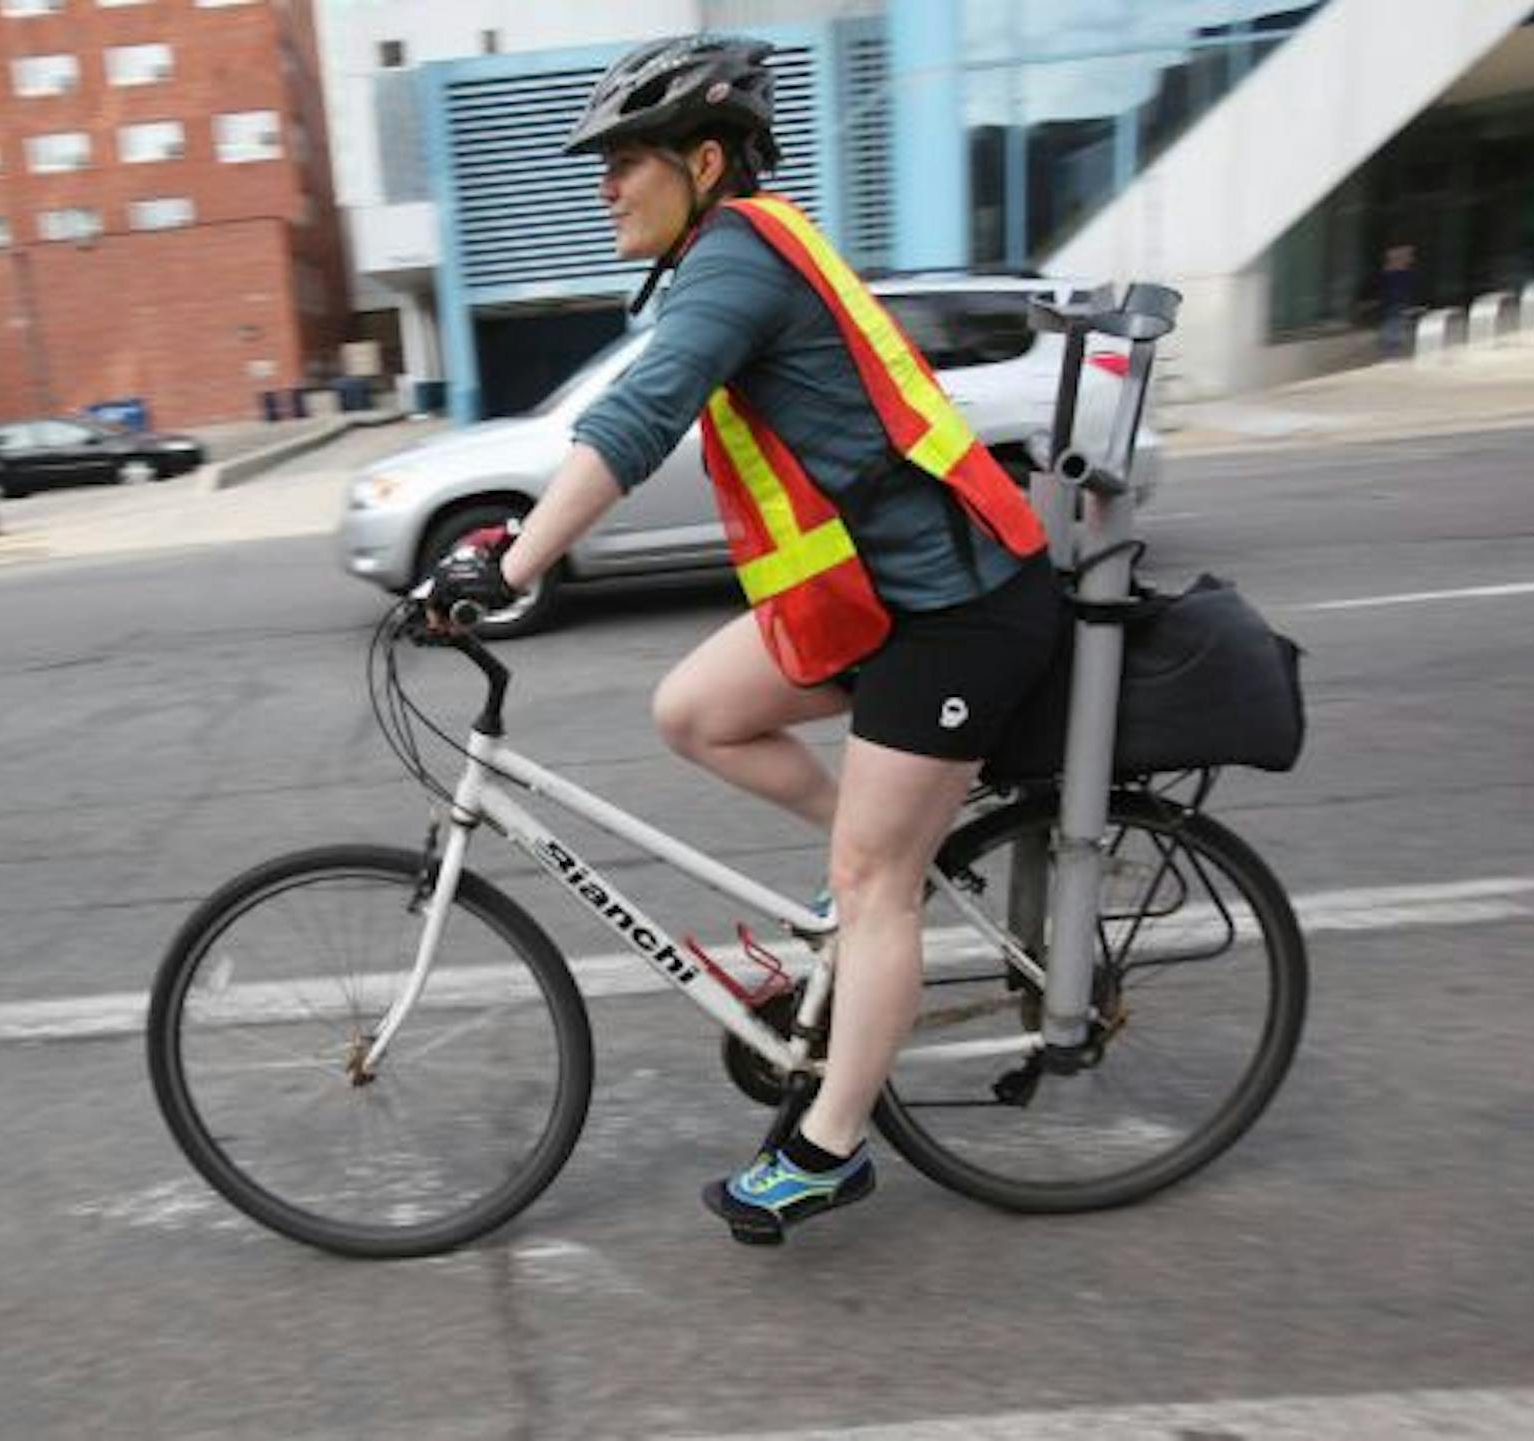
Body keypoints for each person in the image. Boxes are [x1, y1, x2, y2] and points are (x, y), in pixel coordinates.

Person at [426, 35, 1064, 1243]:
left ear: (704, 160)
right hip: (882, 598)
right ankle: (889, 879)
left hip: (961, 606)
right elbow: (645, 402)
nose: (603, 186)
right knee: (694, 712)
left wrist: (506, 560)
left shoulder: (738, 259)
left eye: (623, 162)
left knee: (872, 882)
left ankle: (830, 1146)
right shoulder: (729, 256)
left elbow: (635, 418)